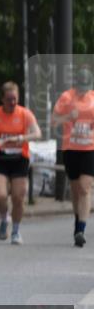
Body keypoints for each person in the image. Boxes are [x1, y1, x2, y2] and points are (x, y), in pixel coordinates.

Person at [0, 81, 41, 245]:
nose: (13, 102)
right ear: (2, 99)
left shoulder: (24, 114)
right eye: (9, 99)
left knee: (18, 197)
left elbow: (37, 133)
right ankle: (4, 218)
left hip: (19, 159)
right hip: (0, 158)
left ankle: (16, 231)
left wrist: (22, 138)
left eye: (15, 98)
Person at [52, 66, 94, 247]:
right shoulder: (66, 98)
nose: (83, 91)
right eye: (80, 87)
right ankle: (78, 222)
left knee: (85, 188)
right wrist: (69, 116)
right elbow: (53, 122)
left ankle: (81, 230)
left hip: (90, 149)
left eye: (86, 87)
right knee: (76, 190)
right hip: (71, 149)